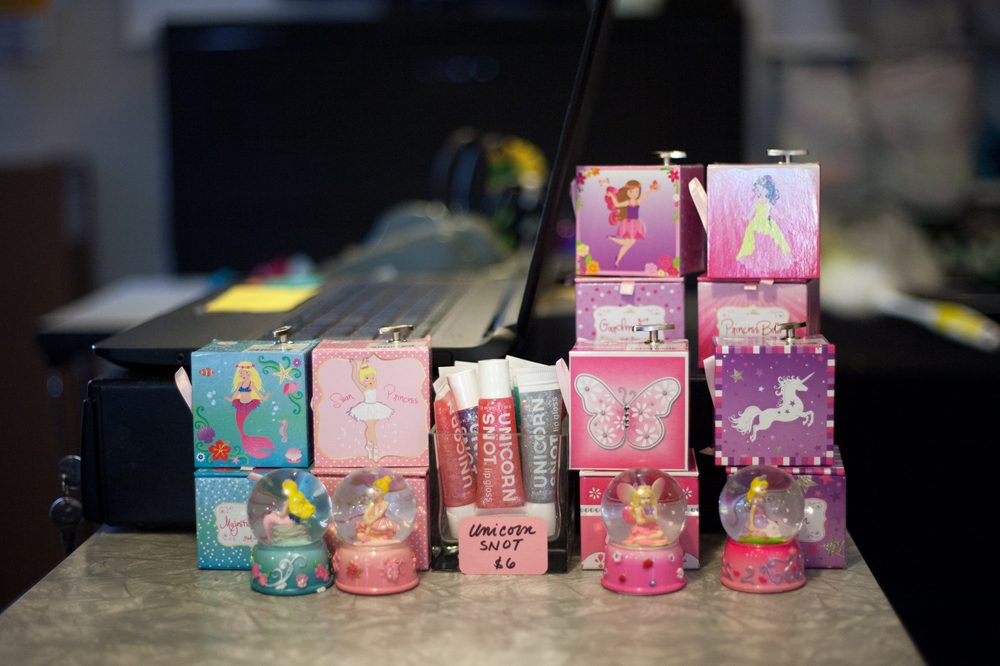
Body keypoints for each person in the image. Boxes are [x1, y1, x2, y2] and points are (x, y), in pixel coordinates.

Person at [736, 174, 791, 261]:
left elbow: (778, 214)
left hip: (767, 224)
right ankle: (757, 258)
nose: (760, 191)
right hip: (756, 224)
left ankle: (770, 258)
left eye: (762, 189)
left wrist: (784, 214)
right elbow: (750, 215)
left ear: (768, 190)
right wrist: (744, 217)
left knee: (772, 240)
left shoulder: (768, 202)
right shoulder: (756, 202)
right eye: (758, 189)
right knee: (755, 242)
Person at [347, 357, 394, 460]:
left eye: (372, 378)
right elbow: (355, 378)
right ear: (363, 381)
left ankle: (369, 445)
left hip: (375, 407)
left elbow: (369, 372)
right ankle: (375, 446)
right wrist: (355, 366)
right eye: (367, 378)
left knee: (371, 427)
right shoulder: (364, 388)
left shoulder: (374, 385)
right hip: (367, 408)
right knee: (371, 427)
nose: (371, 380)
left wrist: (364, 364)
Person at [226, 361, 273, 458]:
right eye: (240, 372)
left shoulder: (251, 383)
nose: (241, 374)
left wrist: (264, 398)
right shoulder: (240, 383)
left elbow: (259, 394)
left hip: (249, 405)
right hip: (240, 405)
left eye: (243, 372)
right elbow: (235, 395)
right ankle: (249, 444)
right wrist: (229, 399)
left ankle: (257, 443)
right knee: (240, 427)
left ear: (249, 373)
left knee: (245, 426)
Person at [606, 179, 656, 266]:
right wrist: (612, 195)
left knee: (628, 244)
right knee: (628, 243)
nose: (634, 194)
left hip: (636, 224)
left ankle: (617, 260)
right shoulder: (628, 202)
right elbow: (617, 204)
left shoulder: (638, 201)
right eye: (631, 191)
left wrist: (652, 189)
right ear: (627, 192)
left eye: (636, 192)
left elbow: (646, 195)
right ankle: (612, 239)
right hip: (628, 224)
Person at [619, 479, 668, 547]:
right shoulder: (638, 509)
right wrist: (648, 519)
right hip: (641, 529)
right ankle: (640, 538)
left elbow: (655, 518)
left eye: (648, 498)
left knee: (660, 533)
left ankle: (642, 538)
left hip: (652, 528)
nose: (646, 500)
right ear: (638, 499)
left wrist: (651, 518)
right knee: (642, 540)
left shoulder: (652, 508)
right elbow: (639, 521)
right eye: (643, 498)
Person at [354, 475, 399, 543]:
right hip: (372, 519)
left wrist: (371, 520)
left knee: (374, 528)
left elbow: (379, 514)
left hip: (379, 521)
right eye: (374, 490)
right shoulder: (373, 503)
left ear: (383, 492)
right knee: (360, 533)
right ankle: (369, 537)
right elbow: (367, 511)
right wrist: (366, 518)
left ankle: (378, 537)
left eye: (377, 490)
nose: (374, 492)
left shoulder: (385, 503)